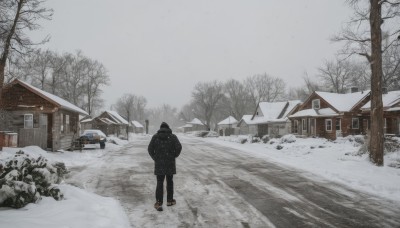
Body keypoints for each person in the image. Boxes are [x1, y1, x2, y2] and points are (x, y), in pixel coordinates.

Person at [148, 122, 182, 211]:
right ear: (168, 128)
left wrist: (155, 157)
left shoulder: (155, 137)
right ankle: (170, 200)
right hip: (170, 163)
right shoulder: (173, 137)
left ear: (160, 128)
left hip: (159, 164)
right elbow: (179, 147)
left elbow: (150, 149)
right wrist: (174, 155)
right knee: (170, 181)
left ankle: (159, 202)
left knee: (160, 182)